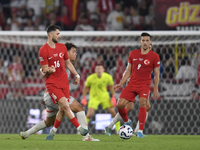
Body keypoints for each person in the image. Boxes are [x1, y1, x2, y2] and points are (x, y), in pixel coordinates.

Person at [20, 42, 99, 141]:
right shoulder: (59, 60)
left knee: (49, 121)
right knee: (79, 108)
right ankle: (86, 137)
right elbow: (44, 69)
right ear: (66, 52)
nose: (76, 54)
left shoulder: (67, 64)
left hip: (50, 96)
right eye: (73, 51)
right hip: (53, 94)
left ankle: (27, 133)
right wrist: (44, 71)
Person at [39, 25, 89, 138]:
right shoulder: (43, 50)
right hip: (52, 87)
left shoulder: (61, 48)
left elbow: (68, 63)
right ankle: (80, 129)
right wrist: (49, 71)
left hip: (63, 85)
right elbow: (44, 71)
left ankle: (52, 132)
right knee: (67, 106)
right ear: (50, 34)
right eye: (57, 34)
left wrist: (76, 74)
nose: (59, 36)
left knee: (61, 111)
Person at [113, 32, 160, 138]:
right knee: (120, 105)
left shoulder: (155, 56)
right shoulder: (133, 53)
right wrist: (120, 83)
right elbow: (128, 71)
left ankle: (140, 131)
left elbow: (156, 74)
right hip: (132, 83)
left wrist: (155, 88)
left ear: (150, 42)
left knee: (143, 103)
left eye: (147, 40)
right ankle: (127, 120)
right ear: (140, 42)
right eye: (143, 40)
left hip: (145, 83)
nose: (145, 42)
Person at [105, 43, 154, 136]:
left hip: (139, 82)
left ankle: (111, 127)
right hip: (132, 80)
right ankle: (113, 126)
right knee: (132, 106)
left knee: (139, 107)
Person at [81, 64, 121, 132]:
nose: (99, 70)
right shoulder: (90, 78)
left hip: (104, 97)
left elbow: (111, 86)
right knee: (89, 114)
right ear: (95, 70)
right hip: (94, 97)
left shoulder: (107, 77)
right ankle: (82, 129)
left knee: (113, 112)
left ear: (103, 69)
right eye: (97, 69)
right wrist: (84, 97)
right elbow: (85, 87)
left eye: (100, 69)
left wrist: (113, 97)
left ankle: (118, 129)